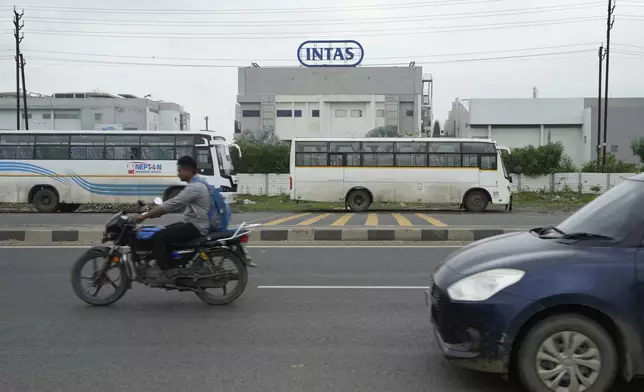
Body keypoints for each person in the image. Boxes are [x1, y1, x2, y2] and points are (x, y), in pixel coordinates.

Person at [133, 155, 212, 283]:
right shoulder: (199, 183)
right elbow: (174, 205)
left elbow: (174, 203)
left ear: (187, 170)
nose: (178, 174)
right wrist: (157, 213)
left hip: (196, 226)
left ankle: (166, 271)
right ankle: (172, 263)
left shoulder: (195, 187)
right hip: (194, 223)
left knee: (160, 236)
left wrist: (144, 216)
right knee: (164, 231)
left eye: (179, 171)